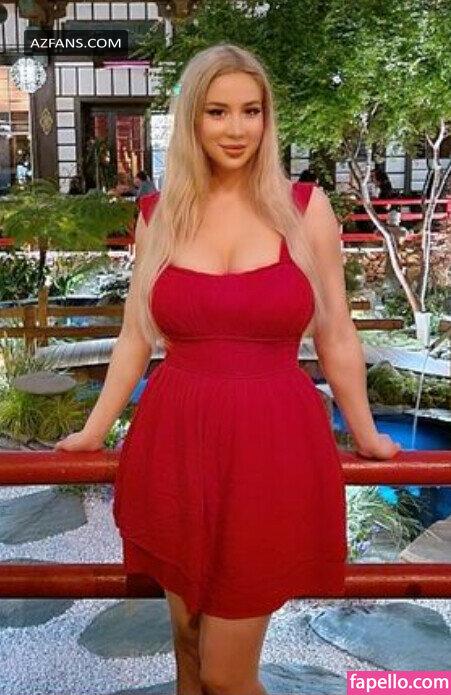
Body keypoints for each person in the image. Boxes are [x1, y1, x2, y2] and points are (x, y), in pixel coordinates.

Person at [55, 44, 400, 695]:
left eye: (251, 111)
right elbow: (135, 335)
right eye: (217, 111)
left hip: (271, 445)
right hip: (176, 440)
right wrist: (94, 431)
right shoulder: (157, 215)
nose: (236, 128)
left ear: (268, 118)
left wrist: (367, 433)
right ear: (192, 118)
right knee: (188, 648)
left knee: (224, 671)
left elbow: (335, 332)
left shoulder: (304, 208)